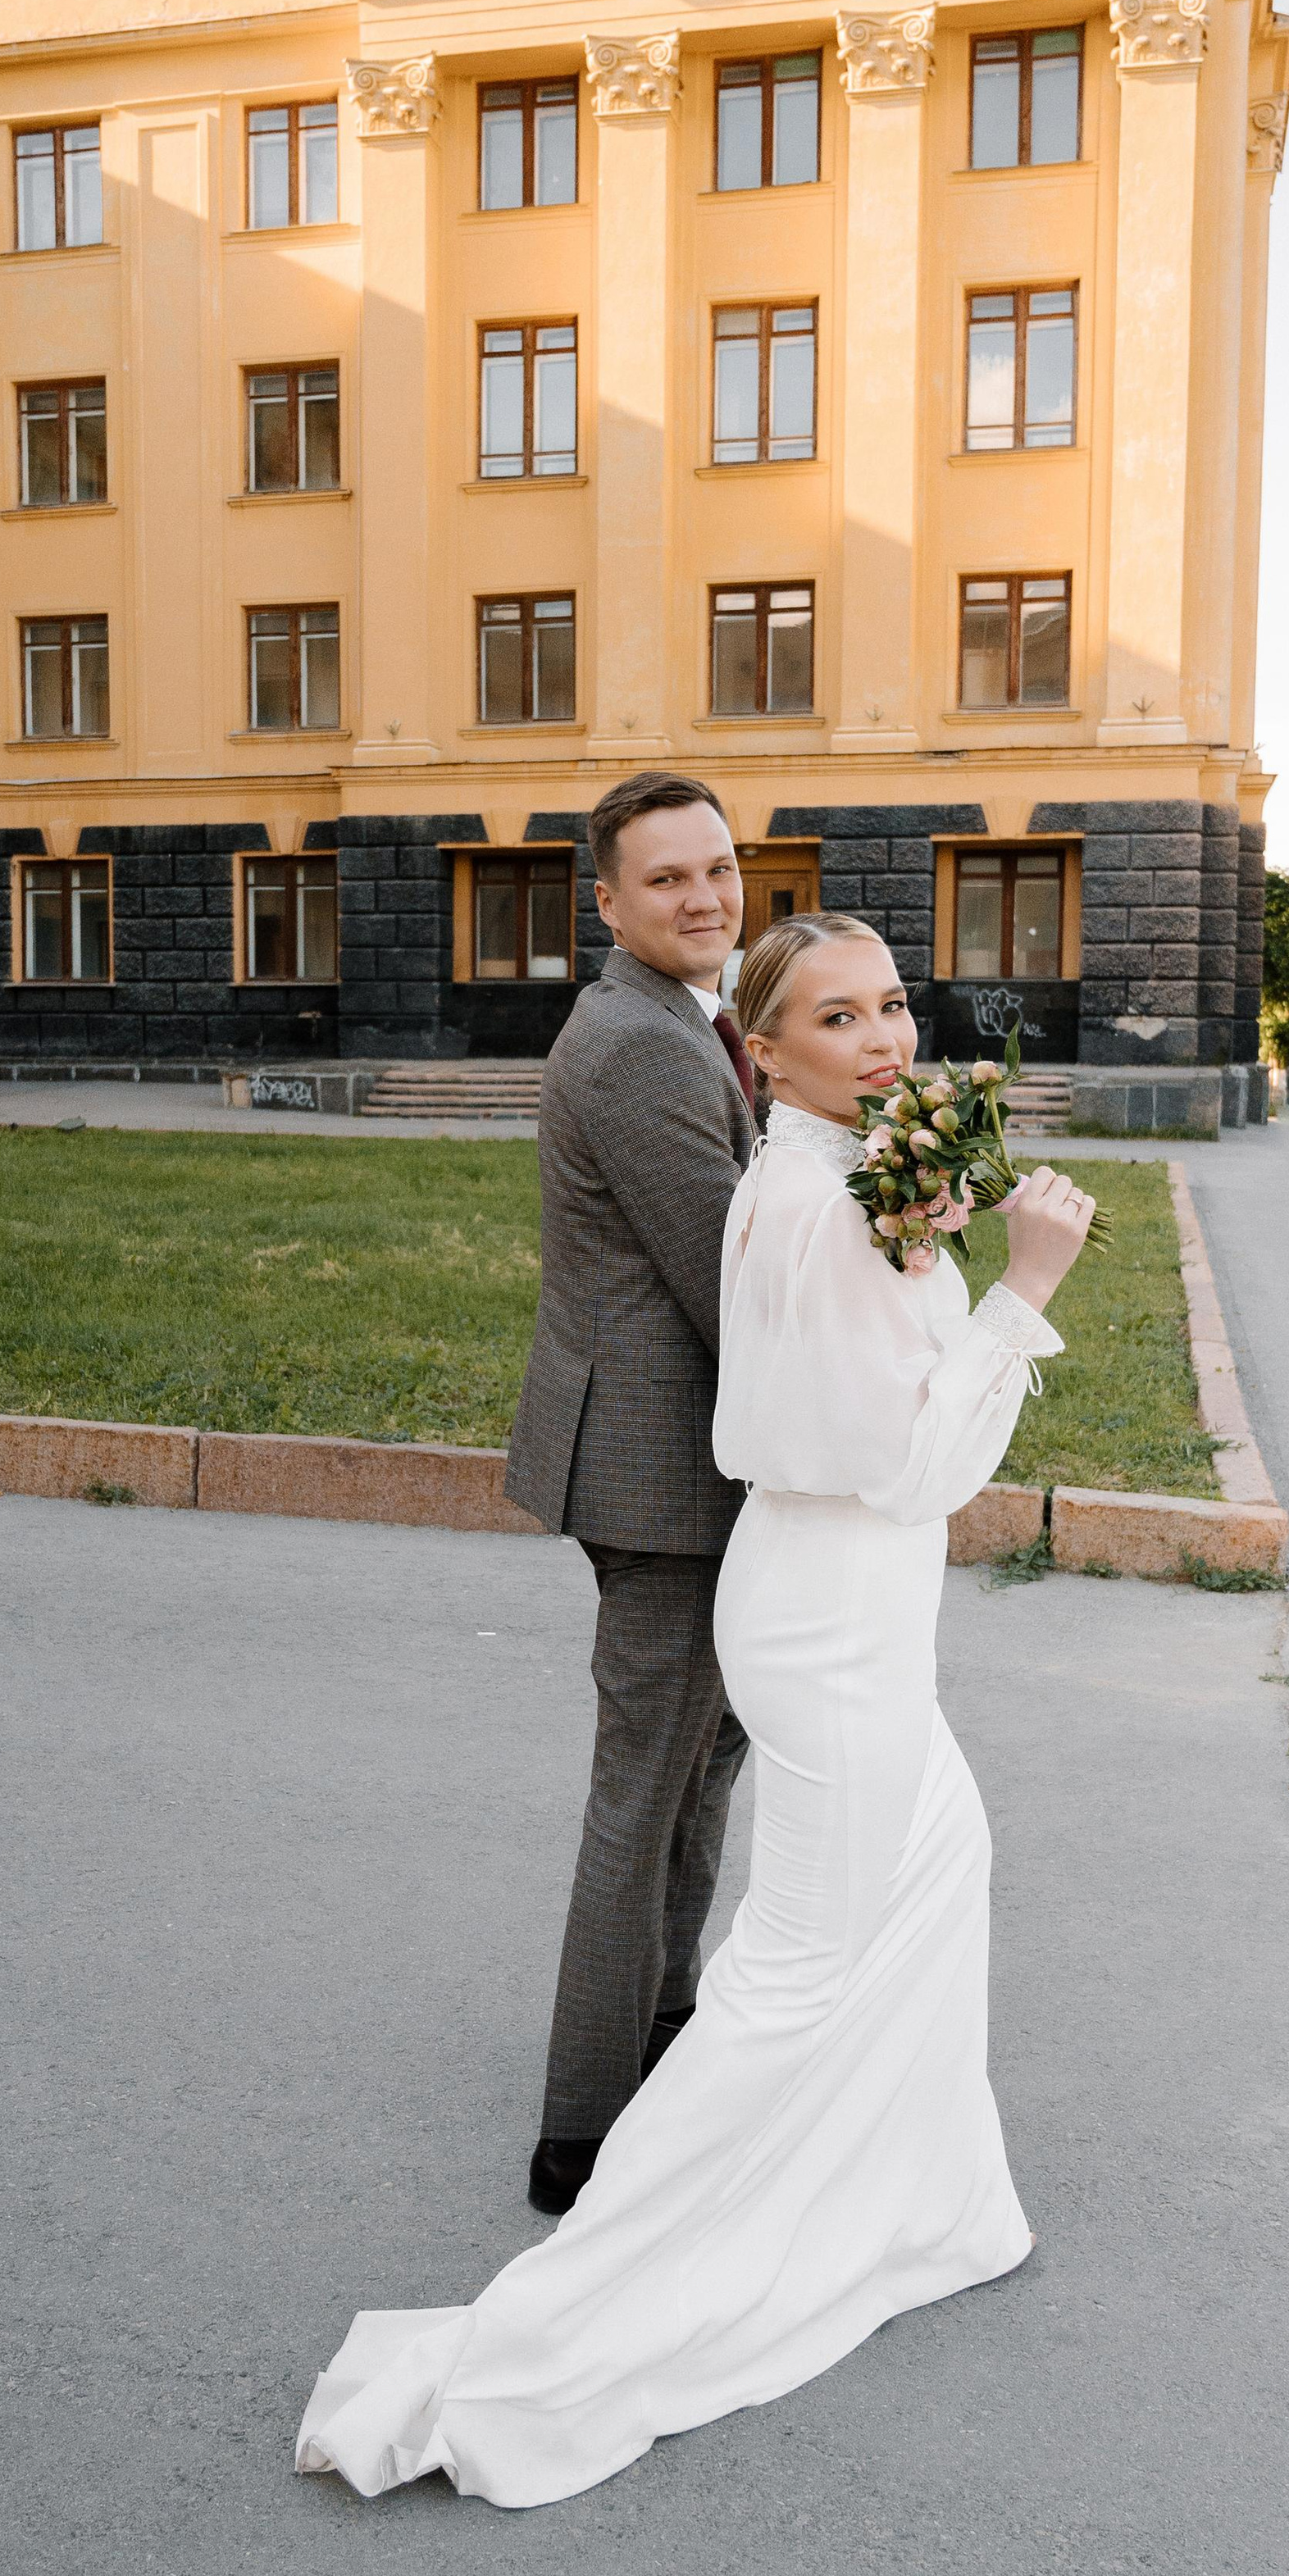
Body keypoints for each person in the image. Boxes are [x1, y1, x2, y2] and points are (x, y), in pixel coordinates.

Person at [296, 912, 1094, 2509]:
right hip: (837, 1617)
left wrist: (929, 1238)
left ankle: (919, 2198)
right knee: (796, 1969)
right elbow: (913, 1462)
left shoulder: (823, 1176)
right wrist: (1019, 1291)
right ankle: (587, 2297)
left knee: (939, 1862)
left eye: (891, 1006)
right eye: (835, 1016)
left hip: (833, 1603)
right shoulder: (813, 1210)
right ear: (763, 1049)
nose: (880, 1039)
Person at [499, 771, 758, 2218]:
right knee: (644, 1787)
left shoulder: (681, 1016)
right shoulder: (643, 1046)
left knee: (698, 1765)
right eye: (666, 879)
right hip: (664, 1477)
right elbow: (735, 1285)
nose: (703, 896)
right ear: (608, 903)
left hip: (673, 1460)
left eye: (717, 867)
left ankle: (663, 2031)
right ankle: (582, 2132)